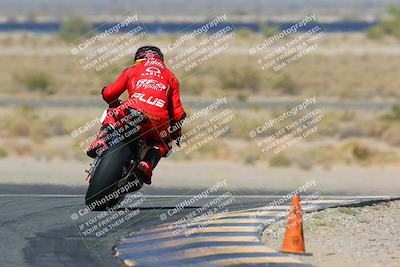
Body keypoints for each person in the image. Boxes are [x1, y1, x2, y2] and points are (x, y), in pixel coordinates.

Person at [87, 45, 186, 185]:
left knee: (111, 114)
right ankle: (147, 165)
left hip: (132, 109)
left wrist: (108, 96)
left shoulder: (132, 70)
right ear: (160, 59)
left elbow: (110, 94)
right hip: (158, 121)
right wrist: (176, 133)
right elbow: (178, 113)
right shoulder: (171, 77)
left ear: (138, 58)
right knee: (164, 144)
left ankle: (101, 141)